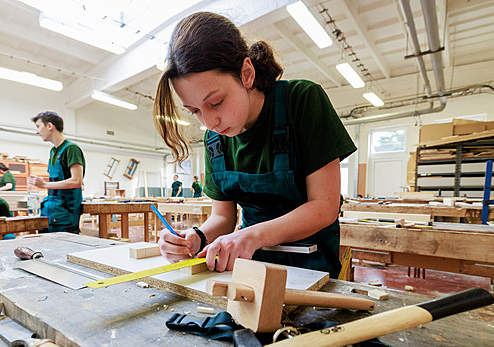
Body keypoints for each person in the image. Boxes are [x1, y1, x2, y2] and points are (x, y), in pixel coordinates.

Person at [152, 12, 356, 278]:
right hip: (250, 267)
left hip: (312, 264)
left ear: (246, 74)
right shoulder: (214, 140)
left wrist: (250, 236)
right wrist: (196, 237)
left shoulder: (302, 101)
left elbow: (323, 207)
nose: (210, 121)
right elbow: (223, 218)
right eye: (194, 111)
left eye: (215, 103)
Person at [28, 111, 85, 234]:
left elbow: (76, 181)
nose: (37, 132)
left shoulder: (71, 148)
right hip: (52, 208)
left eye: (38, 127)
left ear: (49, 126)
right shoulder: (53, 151)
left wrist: (44, 185)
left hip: (65, 212)